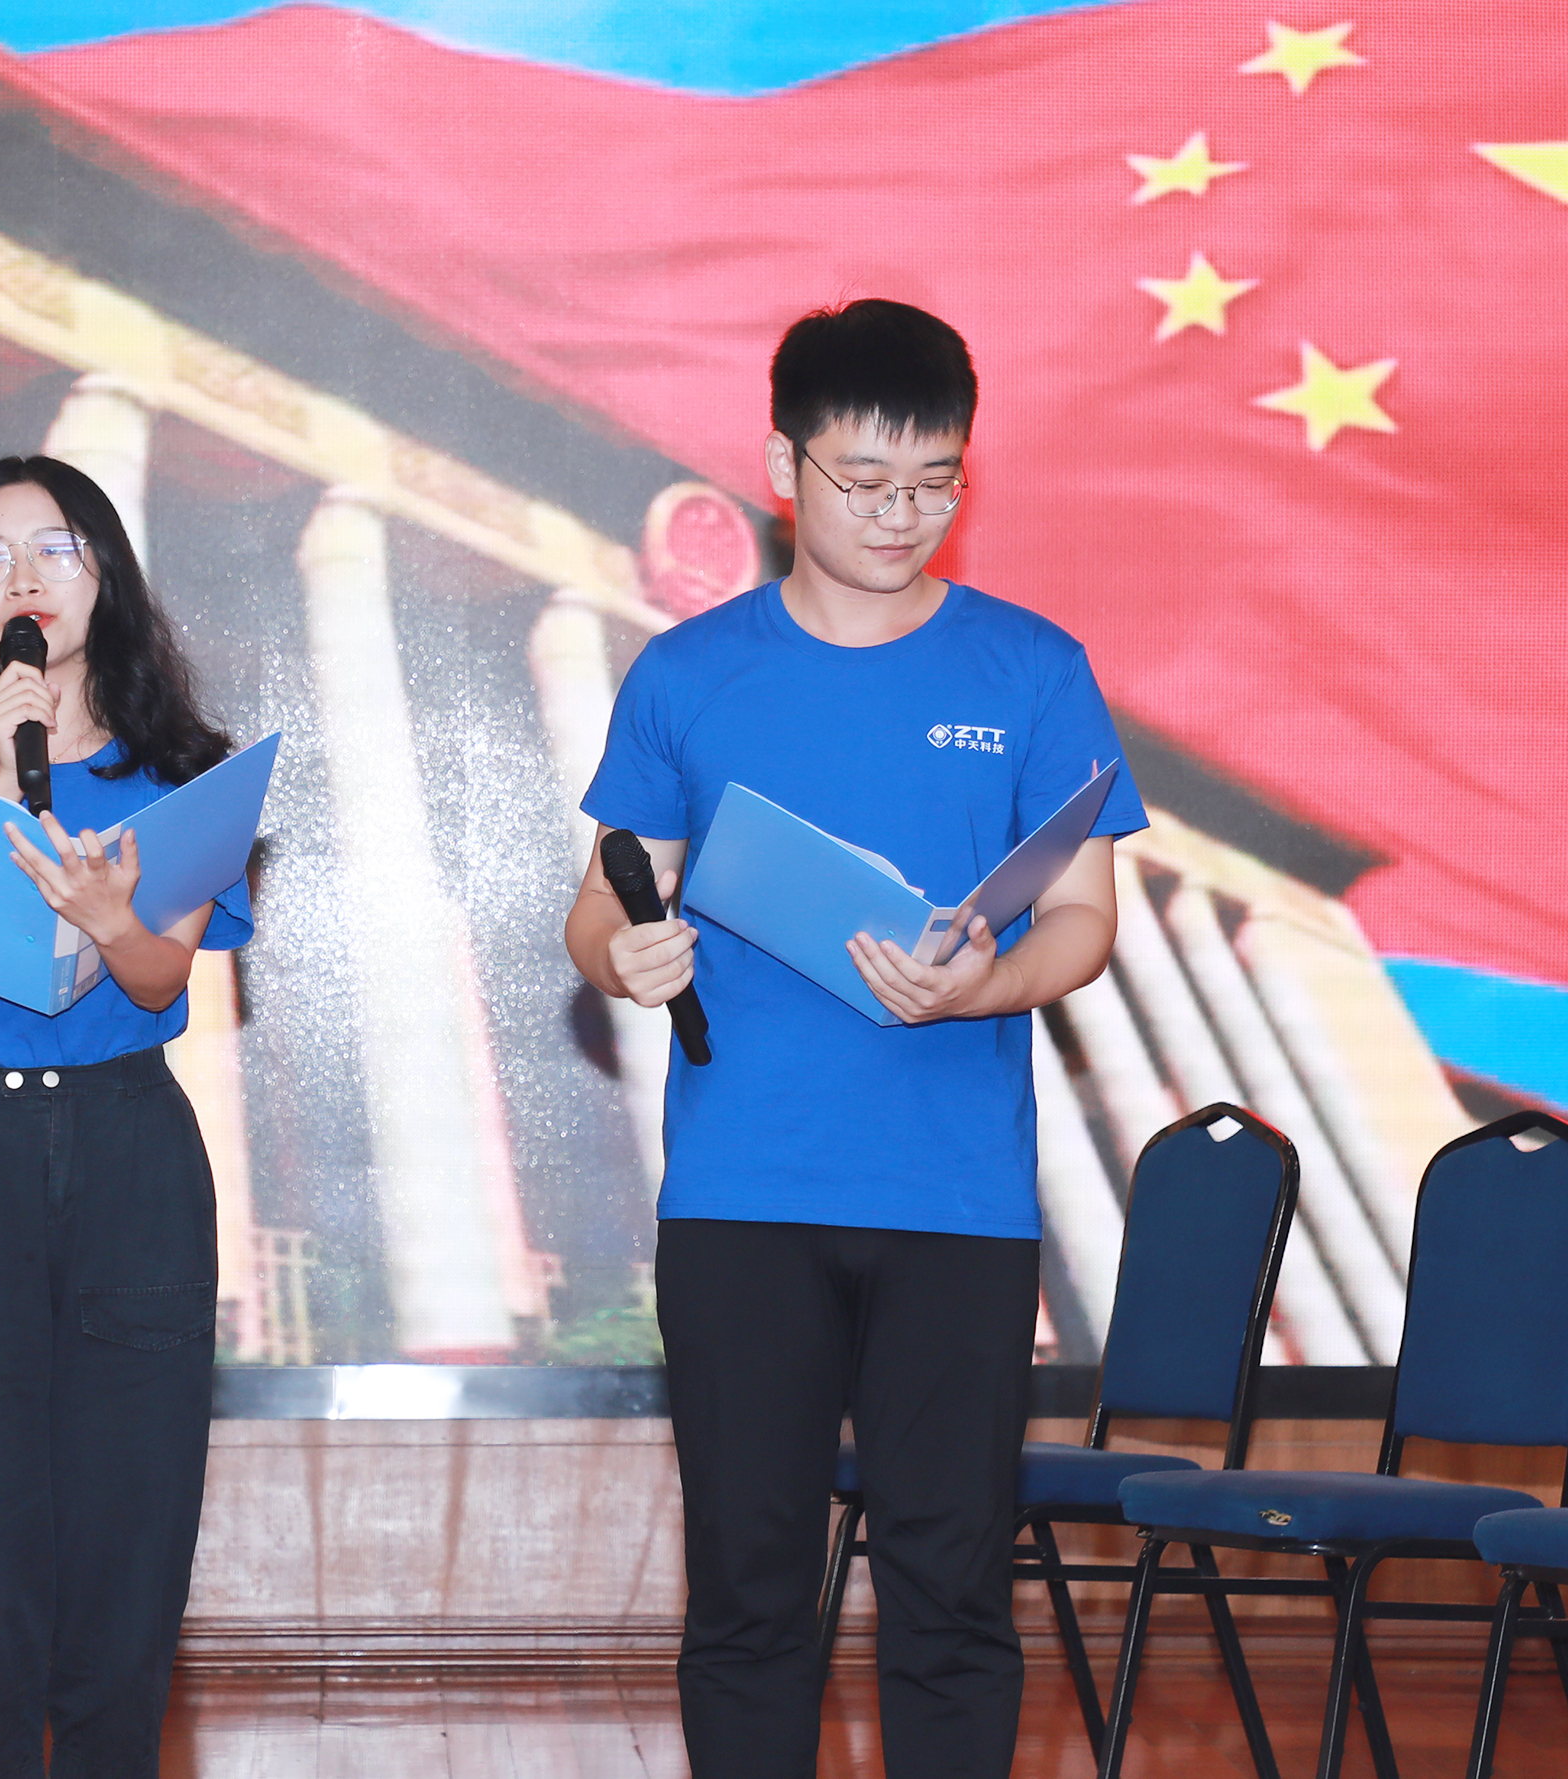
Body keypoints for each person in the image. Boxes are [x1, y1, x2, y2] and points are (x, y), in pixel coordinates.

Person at [563, 300, 1149, 1777]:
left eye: (936, 483)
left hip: (955, 1197)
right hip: (743, 1196)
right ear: (784, 468)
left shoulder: (1031, 669)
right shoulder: (689, 673)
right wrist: (623, 953)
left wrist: (978, 989)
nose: (902, 516)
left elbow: (1083, 920)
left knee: (951, 1595)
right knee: (751, 1594)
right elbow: (604, 896)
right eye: (866, 481)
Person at [0, 454, 246, 1777]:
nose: (20, 578)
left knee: (132, 1536)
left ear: (102, 576)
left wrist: (110, 915)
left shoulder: (179, 775)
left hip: (130, 1150)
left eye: (53, 549)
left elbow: (160, 979)